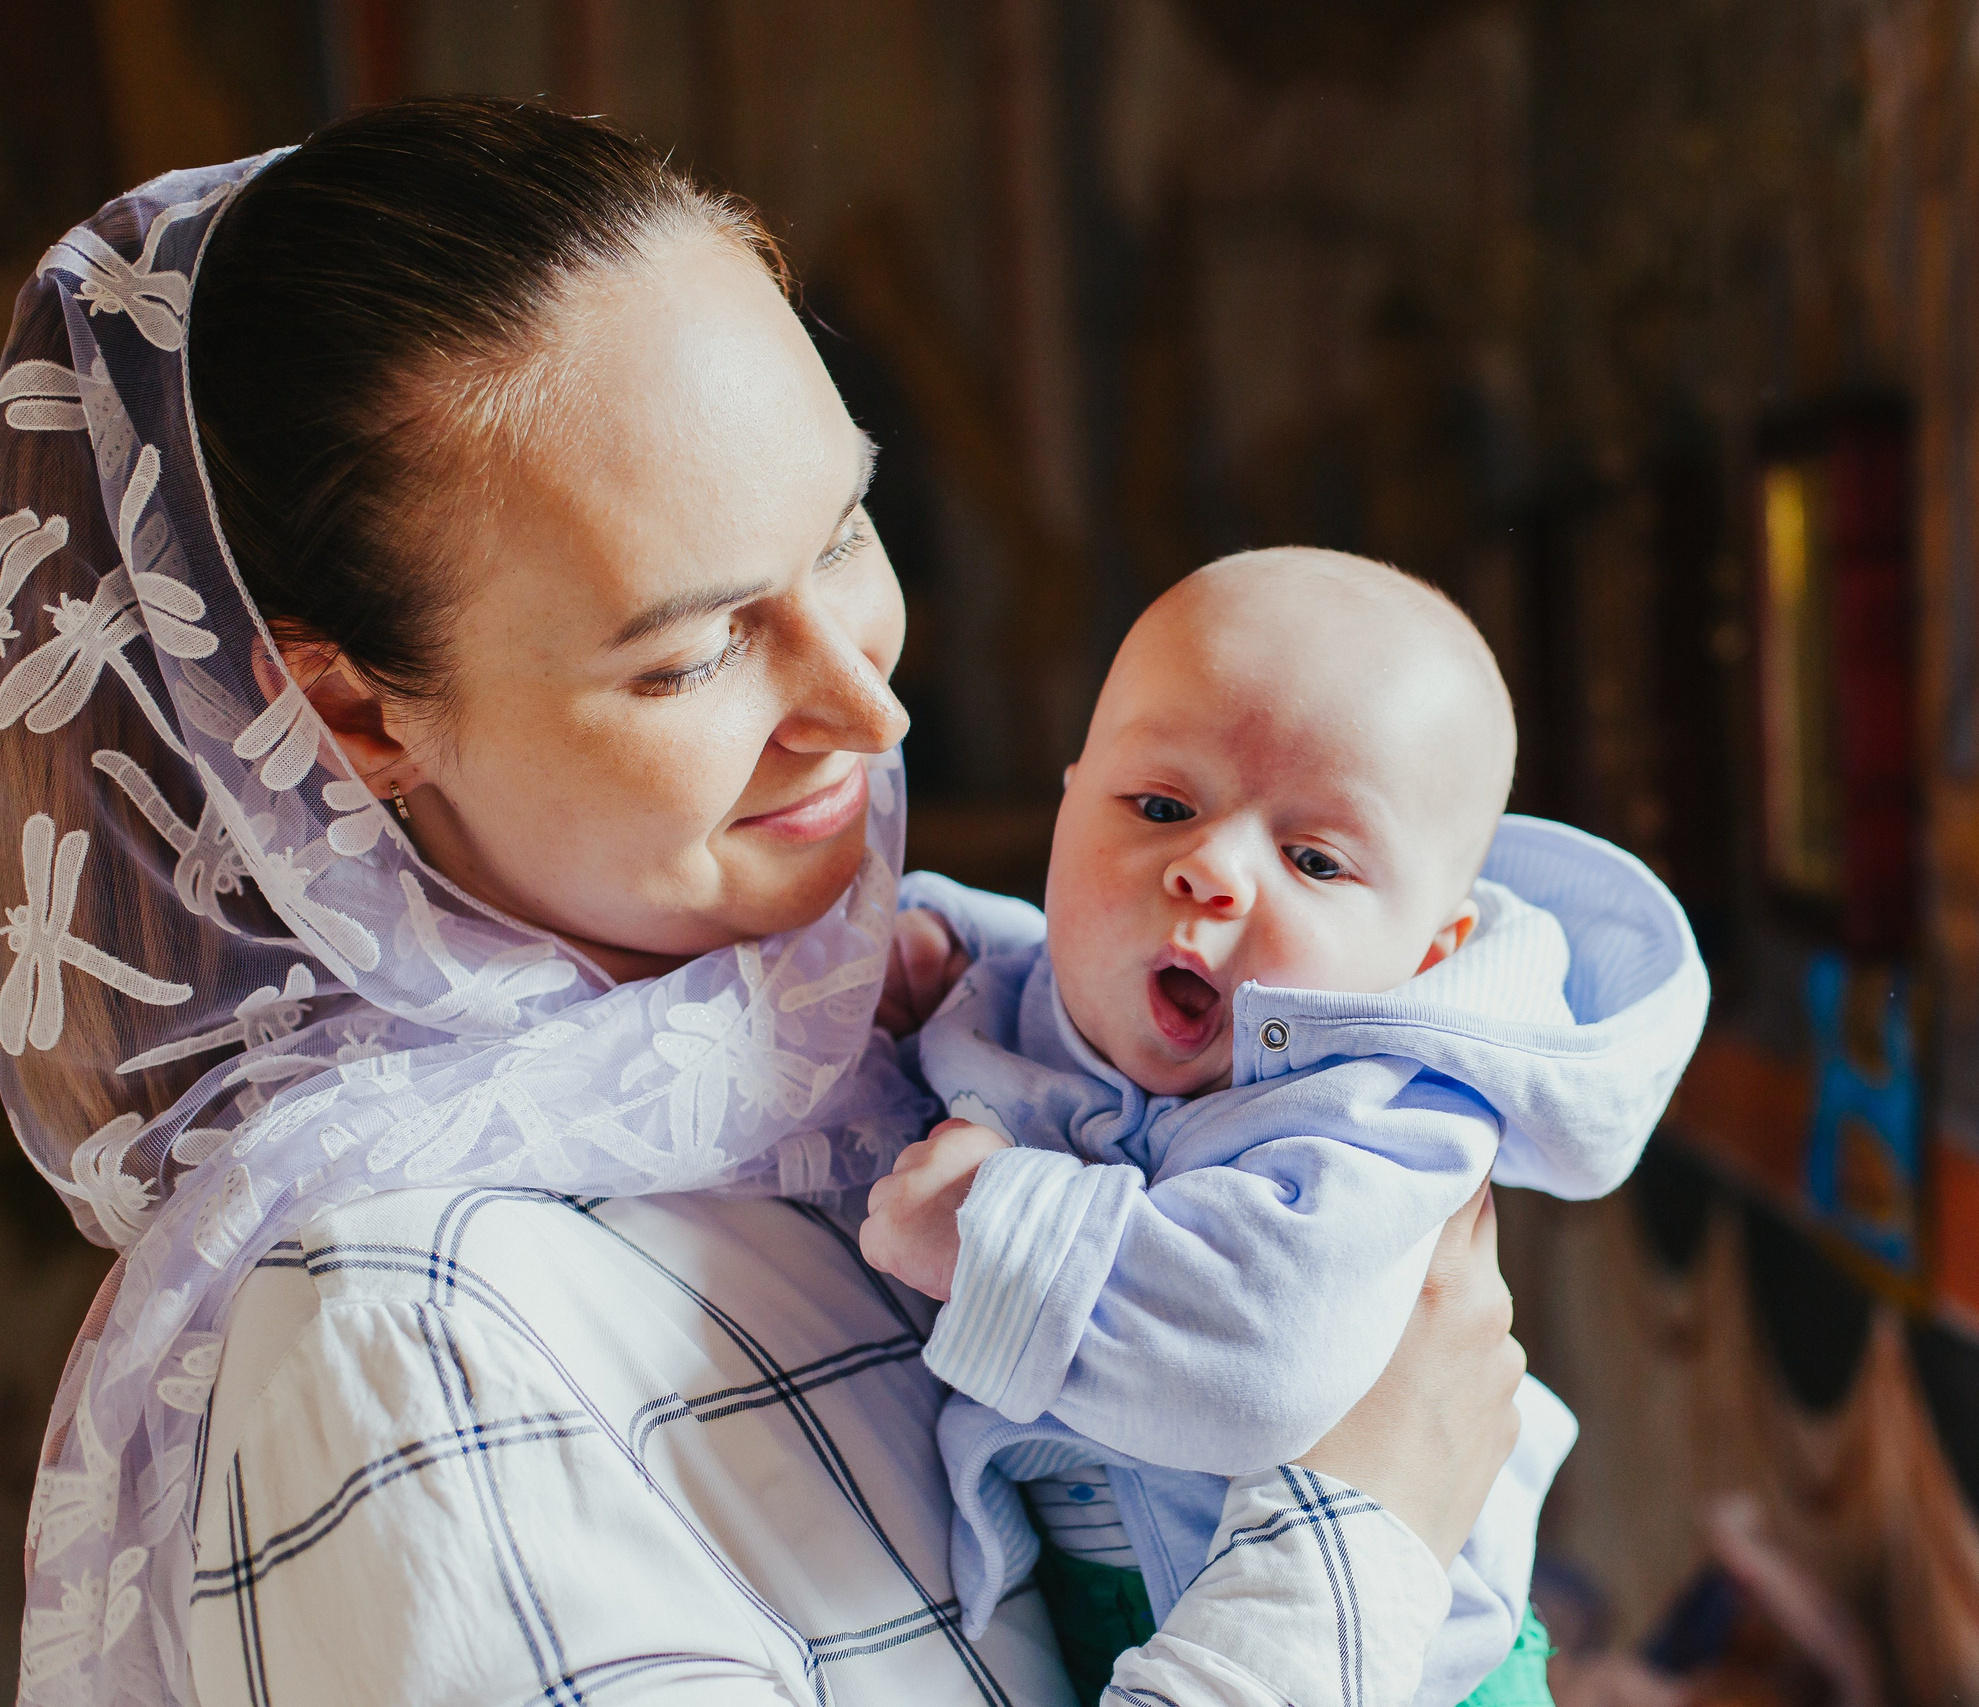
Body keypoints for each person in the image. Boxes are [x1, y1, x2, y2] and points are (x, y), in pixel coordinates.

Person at [3, 99, 1523, 1707]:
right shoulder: (407, 1332)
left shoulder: (912, 1026)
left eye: (851, 527)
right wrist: (1367, 1526)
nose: (873, 712)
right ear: (357, 719)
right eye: (693, 651)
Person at [857, 548, 1708, 1707]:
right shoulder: (1041, 997)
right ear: (1066, 804)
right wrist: (936, 948)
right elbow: (1029, 950)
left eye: (1313, 859)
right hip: (1128, 1614)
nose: (1207, 866)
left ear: (1428, 953)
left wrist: (994, 1229)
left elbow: (1260, 1363)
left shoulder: (1387, 1109)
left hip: (1399, 1666)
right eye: (1159, 806)